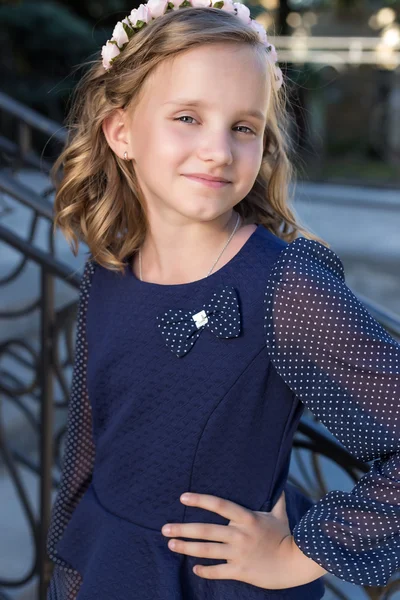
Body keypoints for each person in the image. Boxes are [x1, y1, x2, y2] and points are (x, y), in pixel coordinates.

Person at [46, 0, 400, 598]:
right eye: (188, 116)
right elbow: (91, 437)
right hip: (108, 568)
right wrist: (71, 566)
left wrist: (300, 555)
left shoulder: (285, 287)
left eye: (243, 127)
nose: (218, 150)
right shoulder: (108, 268)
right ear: (122, 131)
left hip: (213, 584)